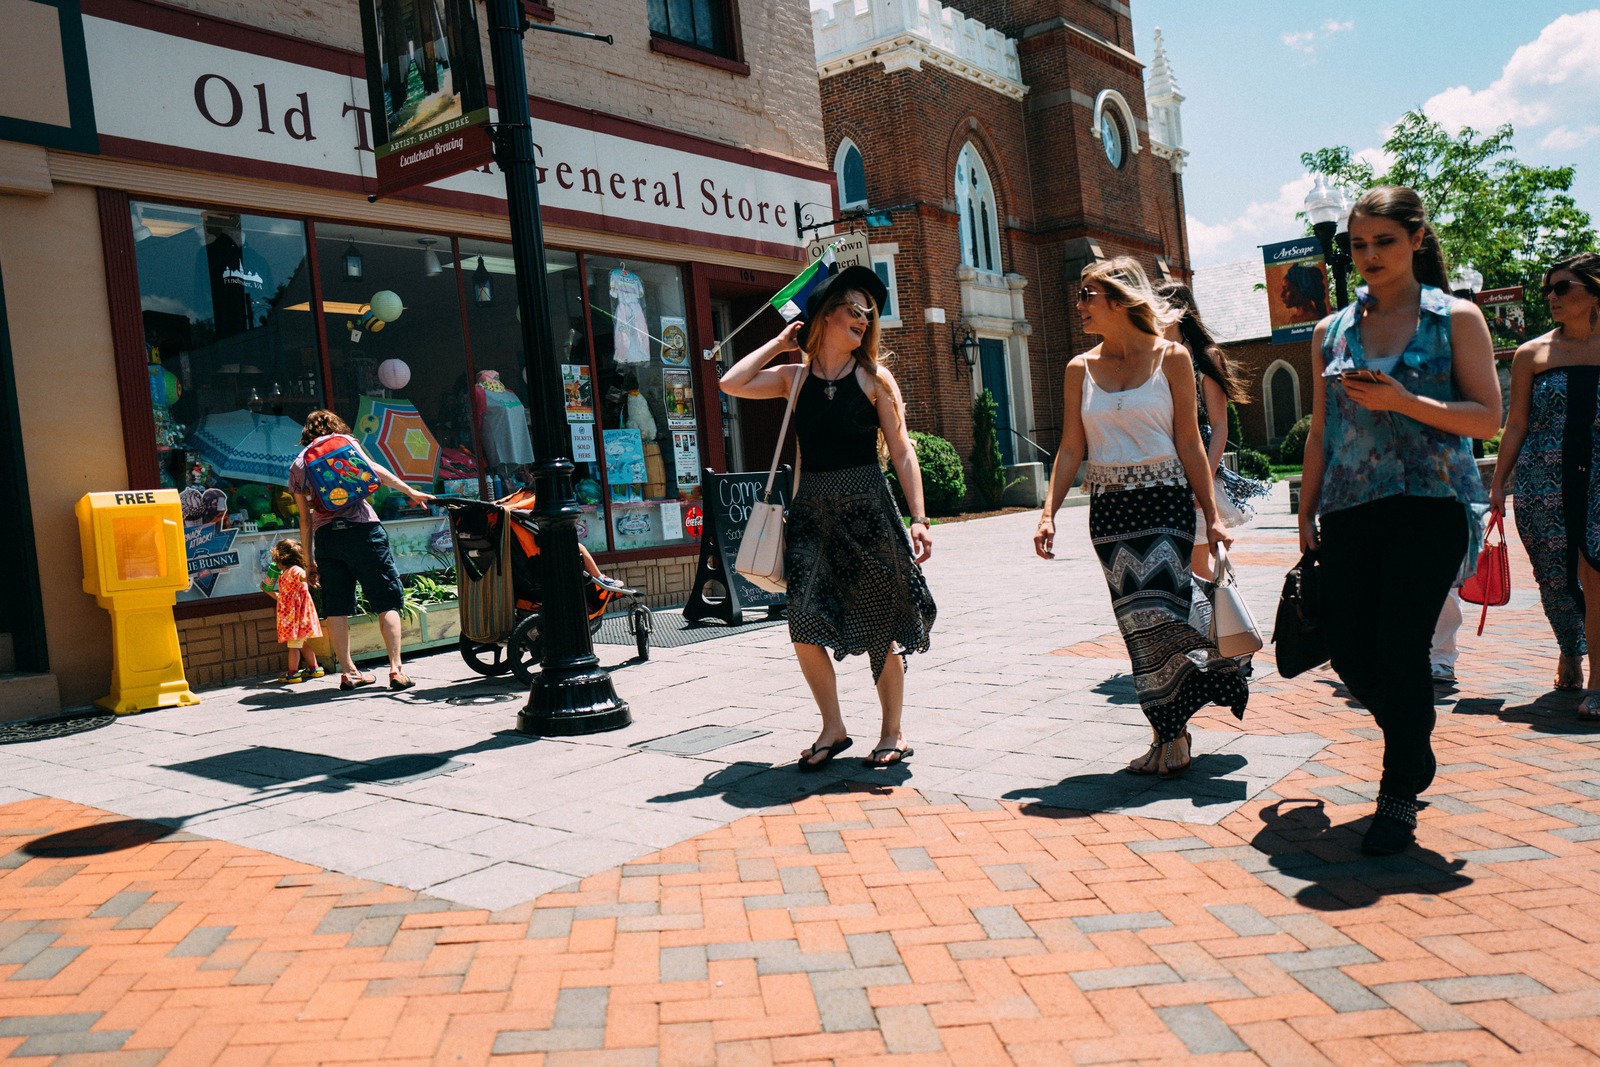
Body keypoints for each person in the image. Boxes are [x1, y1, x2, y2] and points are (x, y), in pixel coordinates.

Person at [1299, 187, 1501, 856]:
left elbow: (1486, 418)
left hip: (1432, 504)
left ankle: (1396, 796)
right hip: (1352, 507)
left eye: (1384, 241)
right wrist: (1306, 507)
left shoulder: (1457, 319)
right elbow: (1322, 430)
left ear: (1417, 239)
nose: (1369, 255)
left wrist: (1404, 400)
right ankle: (1414, 745)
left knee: (1399, 647)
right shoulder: (1329, 331)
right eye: (1358, 244)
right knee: (1351, 650)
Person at [1034, 258, 1249, 780]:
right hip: (1110, 512)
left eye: (1088, 294)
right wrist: (1048, 513)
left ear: (1120, 299)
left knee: (1159, 611)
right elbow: (1069, 449)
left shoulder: (1173, 358)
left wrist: (1213, 515)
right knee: (1137, 625)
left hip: (1166, 503)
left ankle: (1193, 702)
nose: (1079, 304)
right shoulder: (1077, 369)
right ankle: (1167, 733)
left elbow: (1189, 443)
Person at [719, 266, 936, 770]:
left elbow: (902, 452)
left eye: (869, 313)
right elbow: (732, 382)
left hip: (868, 512)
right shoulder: (794, 380)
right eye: (853, 309)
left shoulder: (875, 379)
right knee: (804, 623)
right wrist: (779, 343)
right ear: (824, 315)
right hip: (812, 515)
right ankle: (833, 728)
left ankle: (892, 732)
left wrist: (920, 517)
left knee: (882, 621)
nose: (864, 319)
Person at [1489, 252, 1600, 712]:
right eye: (1547, 290)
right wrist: (1498, 485)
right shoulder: (1532, 354)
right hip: (1542, 478)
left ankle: (1598, 682)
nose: (1551, 297)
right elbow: (1515, 424)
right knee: (1554, 577)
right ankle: (1572, 650)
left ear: (1594, 291)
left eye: (1563, 288)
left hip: (1599, 475)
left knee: (1595, 571)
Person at [289, 410, 433, 691]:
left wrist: (309, 563)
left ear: (306, 432)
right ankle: (396, 670)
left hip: (328, 537)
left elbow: (304, 520)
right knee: (386, 601)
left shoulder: (298, 464)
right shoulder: (344, 441)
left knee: (337, 608)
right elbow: (374, 470)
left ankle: (350, 672)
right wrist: (410, 491)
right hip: (364, 531)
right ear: (334, 425)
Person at [1155, 282, 1270, 592]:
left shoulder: (1206, 356)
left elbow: (1219, 425)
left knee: (1197, 563)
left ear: (1178, 311)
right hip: (1163, 468)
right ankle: (1207, 631)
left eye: (1158, 306)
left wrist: (1200, 481)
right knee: (1175, 563)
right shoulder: (1153, 357)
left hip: (1197, 465)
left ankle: (1218, 630)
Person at [263, 538, 323, 684]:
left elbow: (301, 576)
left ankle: (293, 673)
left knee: (294, 645)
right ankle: (314, 668)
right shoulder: (285, 573)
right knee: (302, 643)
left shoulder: (294, 570)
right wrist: (267, 588)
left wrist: (307, 576)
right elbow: (283, 597)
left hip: (294, 618)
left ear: (281, 558)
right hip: (295, 616)